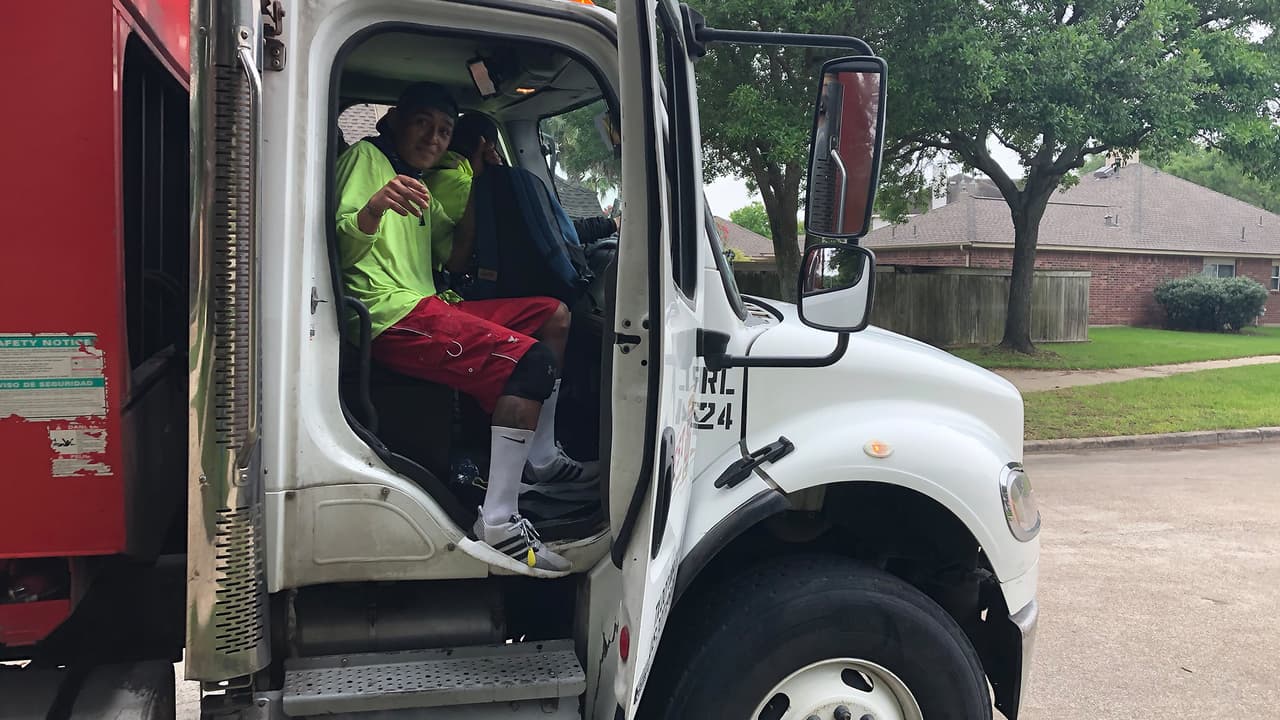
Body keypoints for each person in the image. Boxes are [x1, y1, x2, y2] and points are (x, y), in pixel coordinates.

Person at [335, 81, 596, 575]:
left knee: (554, 315)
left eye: (444, 131)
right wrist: (373, 208)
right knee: (530, 362)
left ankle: (540, 460)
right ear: (393, 121)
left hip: (426, 303)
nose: (433, 138)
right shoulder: (365, 163)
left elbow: (453, 255)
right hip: (386, 316)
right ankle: (497, 522)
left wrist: (480, 182)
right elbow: (338, 249)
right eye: (422, 124)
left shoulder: (415, 181)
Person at [425, 113, 620, 241]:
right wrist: (612, 224)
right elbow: (549, 231)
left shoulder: (432, 178)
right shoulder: (467, 188)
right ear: (487, 146)